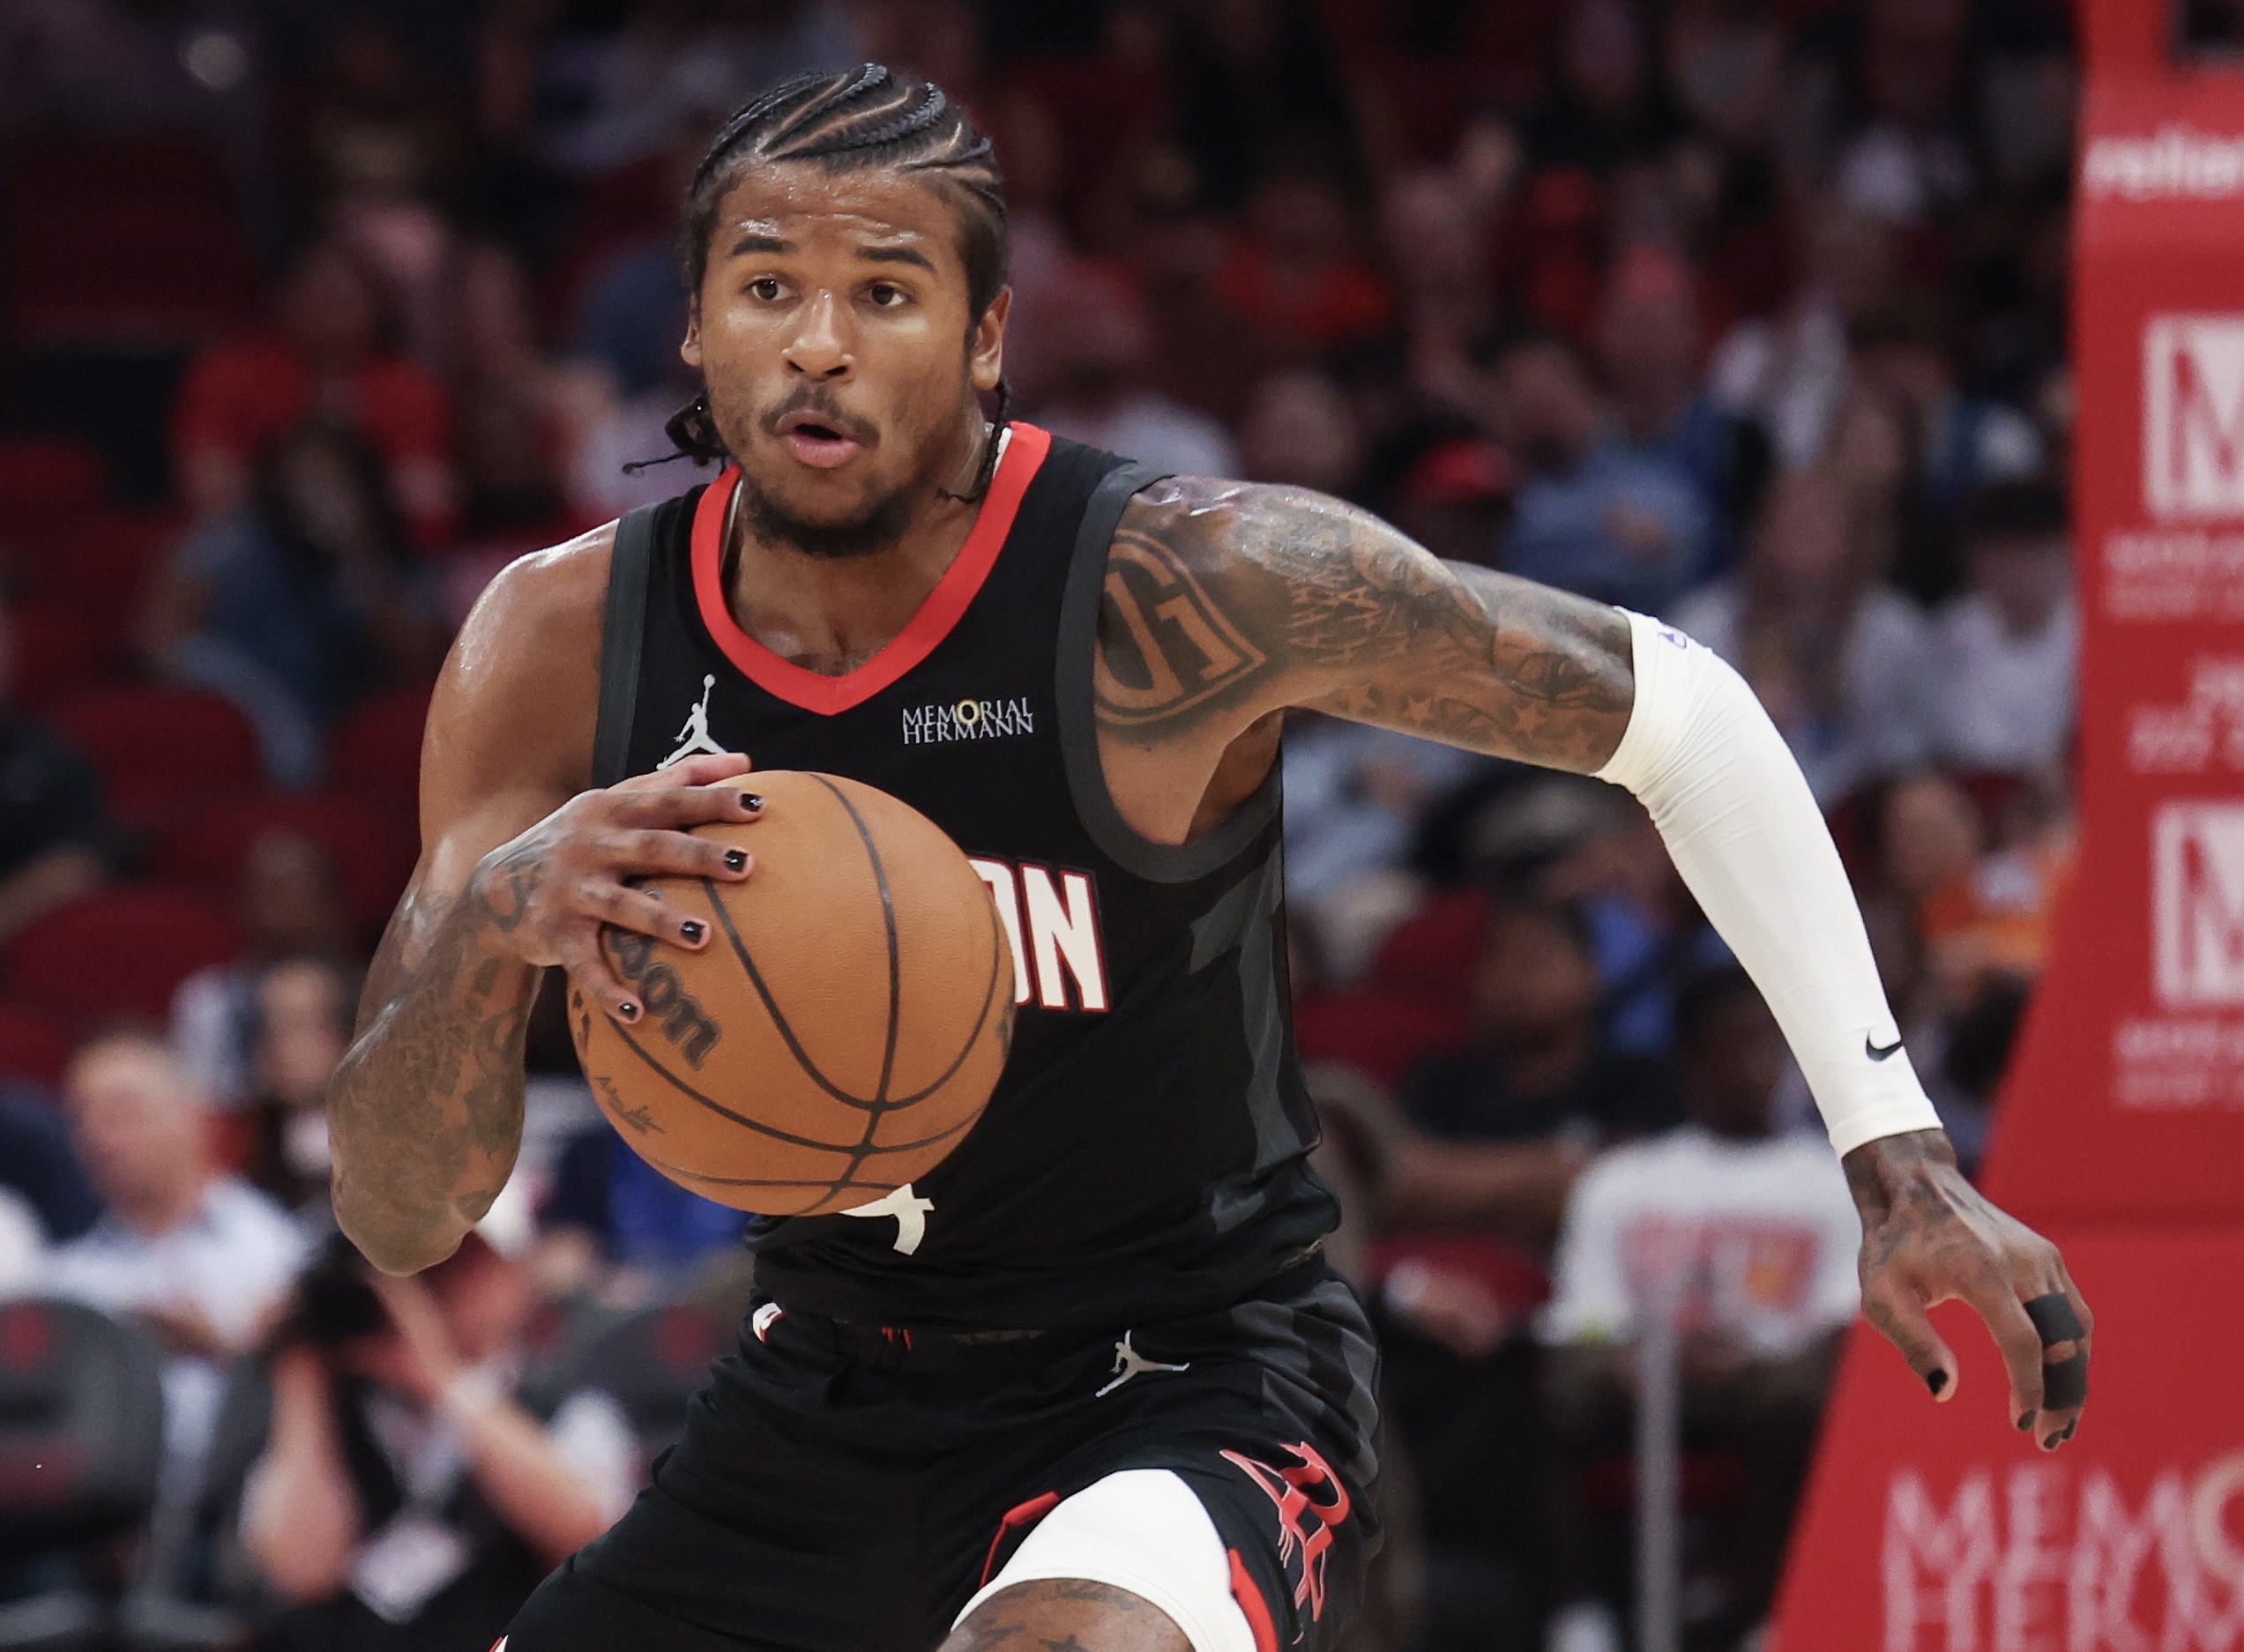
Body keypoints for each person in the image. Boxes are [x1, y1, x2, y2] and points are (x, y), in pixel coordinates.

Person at [325, 66, 2092, 1652]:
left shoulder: (1177, 586)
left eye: (887, 292)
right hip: (829, 1385)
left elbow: (1683, 712)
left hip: (1189, 1375)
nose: (820, 343)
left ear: (988, 337)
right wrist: (494, 923)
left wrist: (1897, 1157)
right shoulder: (562, 643)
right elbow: (399, 1209)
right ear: (695, 330)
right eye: (768, 286)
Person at [1539, 967, 1864, 1648]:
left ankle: (1772, 1618)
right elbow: (1583, 1317)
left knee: (1820, 1393)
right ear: (1691, 1060)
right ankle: (1579, 1611)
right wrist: (1634, 1356)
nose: (1752, 1066)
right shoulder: (1622, 1181)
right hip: (1640, 1378)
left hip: (1770, 1382)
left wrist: (1746, 1361)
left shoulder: (1832, 1180)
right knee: (1531, 1381)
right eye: (1731, 1045)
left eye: (1766, 1044)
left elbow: (1843, 1318)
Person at [235, 1232, 636, 1652]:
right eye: (410, 1267)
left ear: (515, 1274)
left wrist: (440, 1377)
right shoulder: (326, 1404)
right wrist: (302, 1377)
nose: (433, 1284)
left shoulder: (561, 1402)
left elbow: (588, 1538)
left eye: (461, 1260)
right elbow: (301, 1573)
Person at [47, 1032, 307, 1584]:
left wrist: (227, 1350)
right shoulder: (64, 1284)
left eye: (123, 1111)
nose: (100, 1136)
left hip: (251, 1541)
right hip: (95, 1552)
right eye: (82, 1117)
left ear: (194, 1115)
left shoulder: (280, 1253)